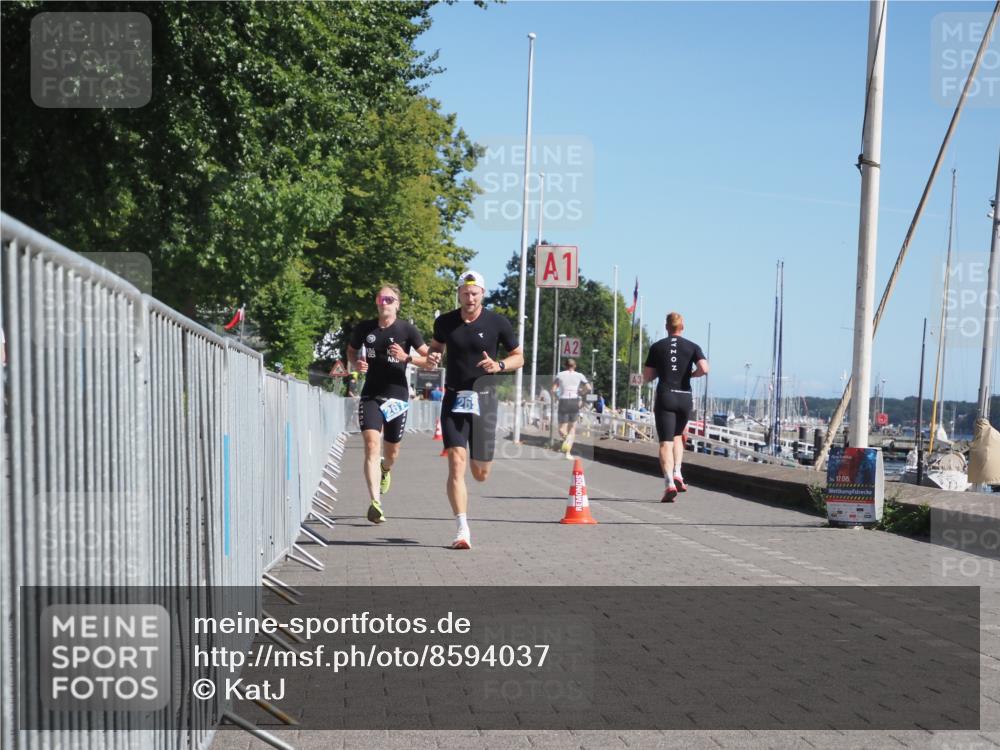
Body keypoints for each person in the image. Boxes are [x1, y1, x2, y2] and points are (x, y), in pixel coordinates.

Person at [425, 271, 524, 549]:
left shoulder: (497, 322)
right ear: (458, 293)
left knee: (480, 473)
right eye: (465, 293)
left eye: (475, 293)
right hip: (454, 398)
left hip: (484, 399)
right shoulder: (444, 322)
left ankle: (477, 460)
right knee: (456, 463)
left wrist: (499, 365)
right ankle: (462, 528)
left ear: (482, 293)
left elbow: (519, 357)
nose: (470, 298)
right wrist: (433, 357)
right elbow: (435, 349)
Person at [347, 285, 432, 524]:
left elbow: (430, 361)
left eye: (389, 299)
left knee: (391, 451)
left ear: (397, 304)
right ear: (376, 302)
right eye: (381, 298)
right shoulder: (365, 328)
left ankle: (386, 469)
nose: (384, 302)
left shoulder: (407, 330)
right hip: (371, 394)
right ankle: (375, 502)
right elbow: (351, 352)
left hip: (397, 396)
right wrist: (356, 364)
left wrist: (408, 358)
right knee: (372, 444)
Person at [643, 312, 709, 502]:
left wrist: (659, 372)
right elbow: (704, 368)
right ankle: (678, 472)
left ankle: (669, 482)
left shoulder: (657, 347)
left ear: (666, 327)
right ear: (682, 327)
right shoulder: (693, 346)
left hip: (666, 396)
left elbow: (647, 376)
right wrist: (692, 375)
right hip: (685, 397)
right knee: (678, 435)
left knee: (665, 442)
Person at [552, 359, 589, 457]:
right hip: (574, 401)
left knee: (561, 428)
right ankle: (568, 453)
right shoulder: (580, 375)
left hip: (563, 400)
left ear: (565, 365)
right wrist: (581, 393)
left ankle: (566, 438)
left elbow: (553, 390)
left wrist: (557, 398)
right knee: (572, 428)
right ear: (575, 366)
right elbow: (589, 388)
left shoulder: (559, 375)